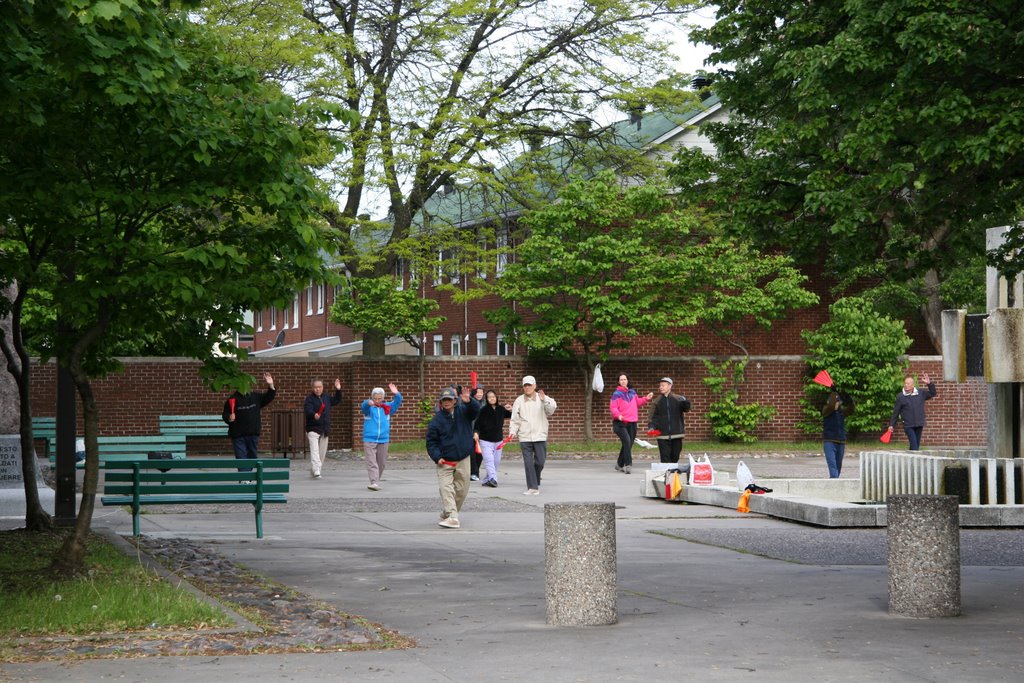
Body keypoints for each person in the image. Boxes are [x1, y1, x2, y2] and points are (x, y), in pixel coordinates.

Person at [426, 386, 481, 528]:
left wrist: (469, 401)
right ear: (441, 402)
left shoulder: (464, 411)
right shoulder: (436, 421)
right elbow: (431, 442)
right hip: (444, 460)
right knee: (446, 488)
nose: (447, 402)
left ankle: (448, 511)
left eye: (449, 399)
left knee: (462, 490)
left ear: (455, 400)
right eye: (444, 400)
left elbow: (475, 411)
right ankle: (453, 517)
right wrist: (437, 457)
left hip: (463, 457)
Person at [509, 375, 557, 495]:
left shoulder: (543, 398)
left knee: (540, 462)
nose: (527, 387)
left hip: (540, 435)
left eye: (530, 385)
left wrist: (544, 399)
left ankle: (535, 479)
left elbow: (551, 410)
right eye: (525, 385)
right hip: (524, 436)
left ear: (534, 386)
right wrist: (512, 432)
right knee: (528, 463)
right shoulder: (519, 400)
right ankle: (532, 487)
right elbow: (515, 419)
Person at [223, 372, 276, 472]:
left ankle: (247, 475)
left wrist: (270, 384)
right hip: (238, 435)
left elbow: (269, 397)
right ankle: (244, 478)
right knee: (241, 456)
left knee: (252, 456)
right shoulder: (232, 399)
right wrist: (230, 417)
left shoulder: (256, 397)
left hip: (253, 433)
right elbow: (225, 415)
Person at [609, 373, 654, 475]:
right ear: (619, 382)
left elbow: (637, 402)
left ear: (627, 380)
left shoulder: (632, 392)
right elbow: (613, 407)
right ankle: (628, 465)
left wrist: (646, 398)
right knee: (627, 441)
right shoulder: (616, 394)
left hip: (632, 422)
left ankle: (619, 464)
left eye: (624, 379)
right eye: (621, 380)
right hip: (620, 423)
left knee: (628, 443)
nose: (623, 381)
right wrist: (618, 415)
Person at [361, 383, 402, 491]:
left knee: (381, 463)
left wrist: (396, 393)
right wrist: (368, 403)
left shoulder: (387, 407)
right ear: (372, 398)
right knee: (372, 462)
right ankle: (374, 482)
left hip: (383, 439)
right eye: (375, 398)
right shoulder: (369, 409)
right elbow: (363, 406)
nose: (377, 400)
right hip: (370, 439)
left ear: (383, 398)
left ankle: (375, 481)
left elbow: (397, 402)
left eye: (380, 398)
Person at [646, 377, 691, 464]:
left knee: (675, 457)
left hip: (677, 434)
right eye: (660, 386)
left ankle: (672, 475)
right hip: (662, 436)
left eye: (663, 385)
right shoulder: (656, 401)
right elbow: (652, 417)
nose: (661, 387)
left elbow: (687, 409)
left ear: (670, 386)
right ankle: (666, 475)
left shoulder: (678, 399)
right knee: (665, 459)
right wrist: (651, 427)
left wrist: (686, 402)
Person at [303, 378, 342, 479]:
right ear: (312, 388)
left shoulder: (326, 397)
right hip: (313, 429)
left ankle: (315, 469)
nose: (317, 389)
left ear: (322, 387)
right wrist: (314, 415)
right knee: (314, 450)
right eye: (315, 387)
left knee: (322, 453)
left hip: (325, 429)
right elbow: (308, 410)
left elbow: (337, 400)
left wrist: (338, 390)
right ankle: (316, 470)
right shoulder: (309, 399)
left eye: (319, 387)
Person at [887, 373, 936, 451]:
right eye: (905, 383)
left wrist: (929, 384)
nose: (906, 385)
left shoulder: (920, 393)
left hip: (919, 424)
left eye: (908, 383)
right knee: (914, 446)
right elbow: (896, 412)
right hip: (908, 425)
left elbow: (933, 393)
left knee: (915, 445)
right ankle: (915, 461)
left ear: (913, 385)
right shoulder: (900, 397)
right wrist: (891, 425)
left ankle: (910, 460)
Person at [475, 389, 512, 488]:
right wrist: (475, 433)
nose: (491, 398)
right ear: (486, 399)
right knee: (489, 460)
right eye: (489, 397)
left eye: (493, 397)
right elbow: (477, 423)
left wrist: (511, 409)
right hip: (485, 440)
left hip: (498, 440)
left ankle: (488, 479)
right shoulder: (483, 410)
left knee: (496, 462)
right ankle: (494, 480)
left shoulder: (501, 409)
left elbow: (511, 415)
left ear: (496, 398)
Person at [821, 390, 854, 478]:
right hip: (829, 442)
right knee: (833, 467)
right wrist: (834, 392)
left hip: (841, 442)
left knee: (838, 467)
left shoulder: (841, 412)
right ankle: (834, 483)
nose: (837, 404)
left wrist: (849, 400)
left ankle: (835, 484)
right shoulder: (826, 411)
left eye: (838, 402)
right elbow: (831, 405)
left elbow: (851, 409)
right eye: (836, 402)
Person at [469, 386, 486, 481]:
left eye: (481, 392)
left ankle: (475, 471)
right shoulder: (470, 402)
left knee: (479, 453)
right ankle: (474, 473)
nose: (479, 394)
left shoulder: (485, 403)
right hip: (471, 431)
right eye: (478, 392)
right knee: (472, 453)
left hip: (482, 431)